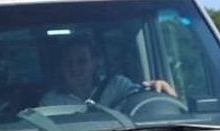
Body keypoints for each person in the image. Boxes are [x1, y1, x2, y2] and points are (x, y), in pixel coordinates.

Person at [40, 36, 177, 108]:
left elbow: (142, 102)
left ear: (94, 63)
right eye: (69, 62)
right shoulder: (50, 101)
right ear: (61, 66)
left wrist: (157, 89)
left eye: (81, 61)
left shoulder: (118, 85)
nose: (75, 68)